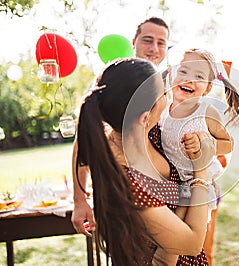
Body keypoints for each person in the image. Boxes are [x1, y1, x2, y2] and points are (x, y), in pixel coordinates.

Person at [74, 58, 215, 265]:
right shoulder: (127, 181)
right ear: (144, 117)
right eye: (163, 94)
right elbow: (191, 244)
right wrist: (201, 170)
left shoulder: (153, 134)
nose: (168, 97)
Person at [71, 16, 169, 236]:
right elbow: (83, 142)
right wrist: (80, 201)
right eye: (147, 40)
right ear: (133, 42)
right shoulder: (110, 80)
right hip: (123, 194)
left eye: (161, 42)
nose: (154, 48)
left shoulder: (173, 84)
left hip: (168, 193)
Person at [159, 48, 239, 265]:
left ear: (207, 88)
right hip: (173, 183)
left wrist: (207, 144)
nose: (189, 79)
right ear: (172, 75)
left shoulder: (205, 112)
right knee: (165, 242)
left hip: (198, 185)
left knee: (175, 243)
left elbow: (229, 144)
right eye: (184, 71)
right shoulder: (163, 109)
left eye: (199, 76)